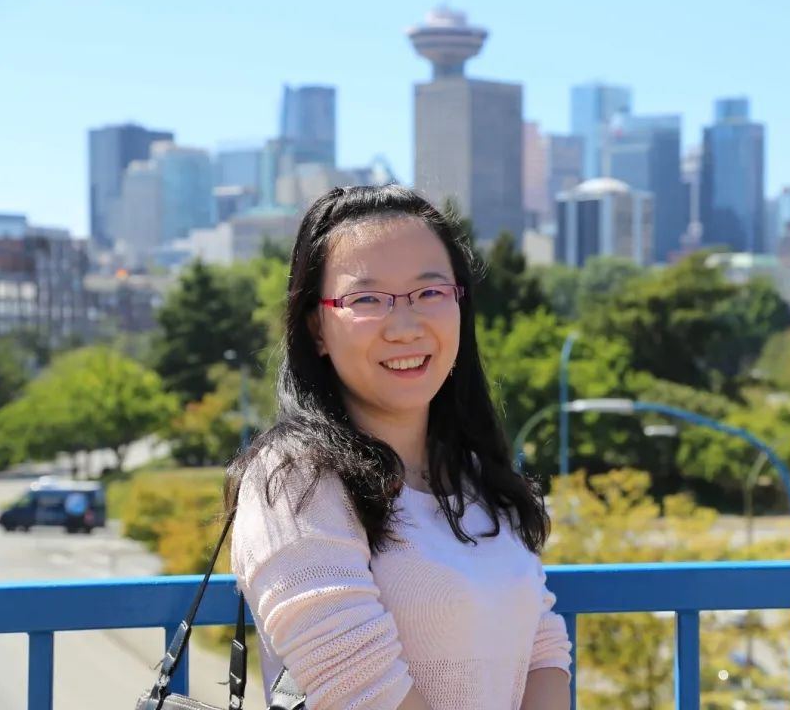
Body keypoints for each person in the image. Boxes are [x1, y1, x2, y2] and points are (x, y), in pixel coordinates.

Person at [225, 185, 572, 710]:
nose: (405, 326)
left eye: (430, 292)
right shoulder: (294, 482)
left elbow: (542, 647)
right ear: (317, 328)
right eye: (367, 299)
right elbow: (360, 689)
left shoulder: (476, 476)